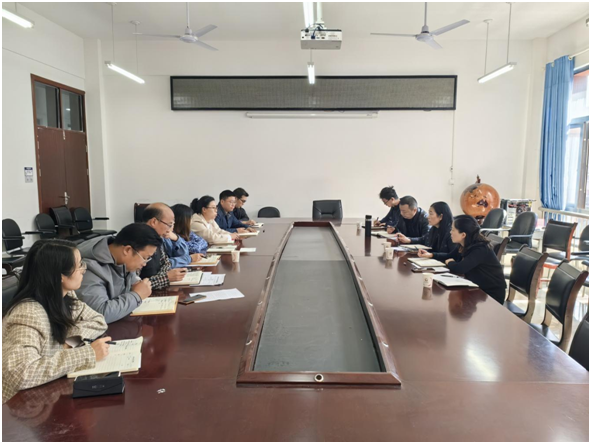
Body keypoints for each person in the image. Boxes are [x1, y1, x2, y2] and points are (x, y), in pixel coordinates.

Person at [2, 239, 110, 404]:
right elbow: (21, 374)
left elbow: (97, 320)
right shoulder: (28, 313)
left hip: (45, 393)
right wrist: (87, 354)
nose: (84, 270)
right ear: (61, 276)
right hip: (20, 406)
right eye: (79, 265)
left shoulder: (64, 295)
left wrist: (69, 342)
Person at [77, 223, 161, 324]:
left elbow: (133, 282)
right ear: (127, 250)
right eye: (145, 258)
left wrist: (138, 285)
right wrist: (137, 295)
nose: (145, 264)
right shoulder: (87, 268)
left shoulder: (122, 258)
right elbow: (99, 314)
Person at [418, 215, 507, 304]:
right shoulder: (464, 244)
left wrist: (450, 262)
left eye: (453, 230)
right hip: (477, 288)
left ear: (463, 234)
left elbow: (460, 268)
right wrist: (431, 255)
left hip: (490, 294)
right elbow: (449, 255)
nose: (450, 232)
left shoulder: (480, 249)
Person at [140, 203, 187, 289]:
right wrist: (165, 278)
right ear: (154, 222)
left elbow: (166, 264)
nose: (170, 229)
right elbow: (136, 285)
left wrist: (162, 277)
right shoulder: (137, 241)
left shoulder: (158, 238)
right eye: (169, 225)